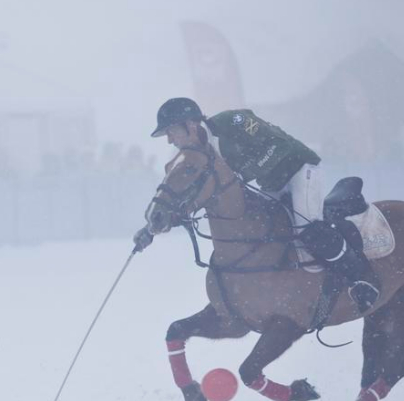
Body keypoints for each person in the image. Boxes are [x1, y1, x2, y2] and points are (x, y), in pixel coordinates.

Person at [136, 98, 380, 313]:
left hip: (300, 169)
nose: (169, 140)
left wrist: (244, 173)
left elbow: (278, 145)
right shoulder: (198, 155)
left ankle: (360, 278)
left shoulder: (234, 120)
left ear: (190, 124)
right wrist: (151, 229)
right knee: (266, 230)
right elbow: (185, 195)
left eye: (171, 131)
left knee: (308, 228)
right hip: (270, 182)